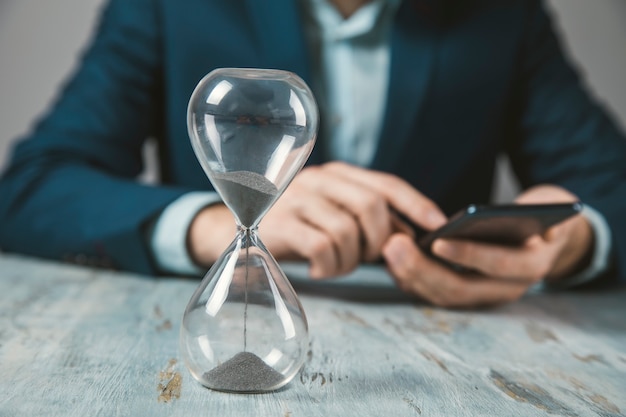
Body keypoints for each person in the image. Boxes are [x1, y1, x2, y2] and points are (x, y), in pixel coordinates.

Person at [0, 0, 625, 308]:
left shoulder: (501, 15)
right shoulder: (170, 6)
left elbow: (612, 187)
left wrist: (572, 240)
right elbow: (29, 186)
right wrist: (216, 222)